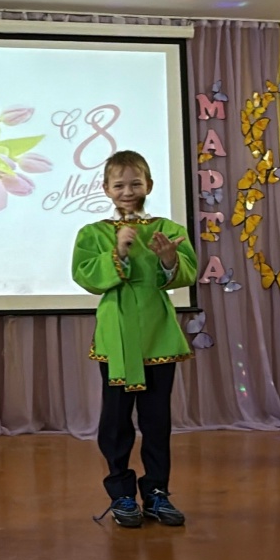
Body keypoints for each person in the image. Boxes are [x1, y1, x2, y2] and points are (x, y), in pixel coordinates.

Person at [72, 151, 197, 528]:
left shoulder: (168, 229)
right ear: (106, 188)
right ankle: (122, 493)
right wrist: (118, 252)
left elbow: (187, 272)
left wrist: (169, 261)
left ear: (149, 185)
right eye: (119, 185)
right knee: (115, 422)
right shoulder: (93, 233)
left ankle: (157, 491)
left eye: (135, 183)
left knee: (157, 421)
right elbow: (86, 276)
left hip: (158, 336)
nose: (128, 191)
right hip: (117, 339)